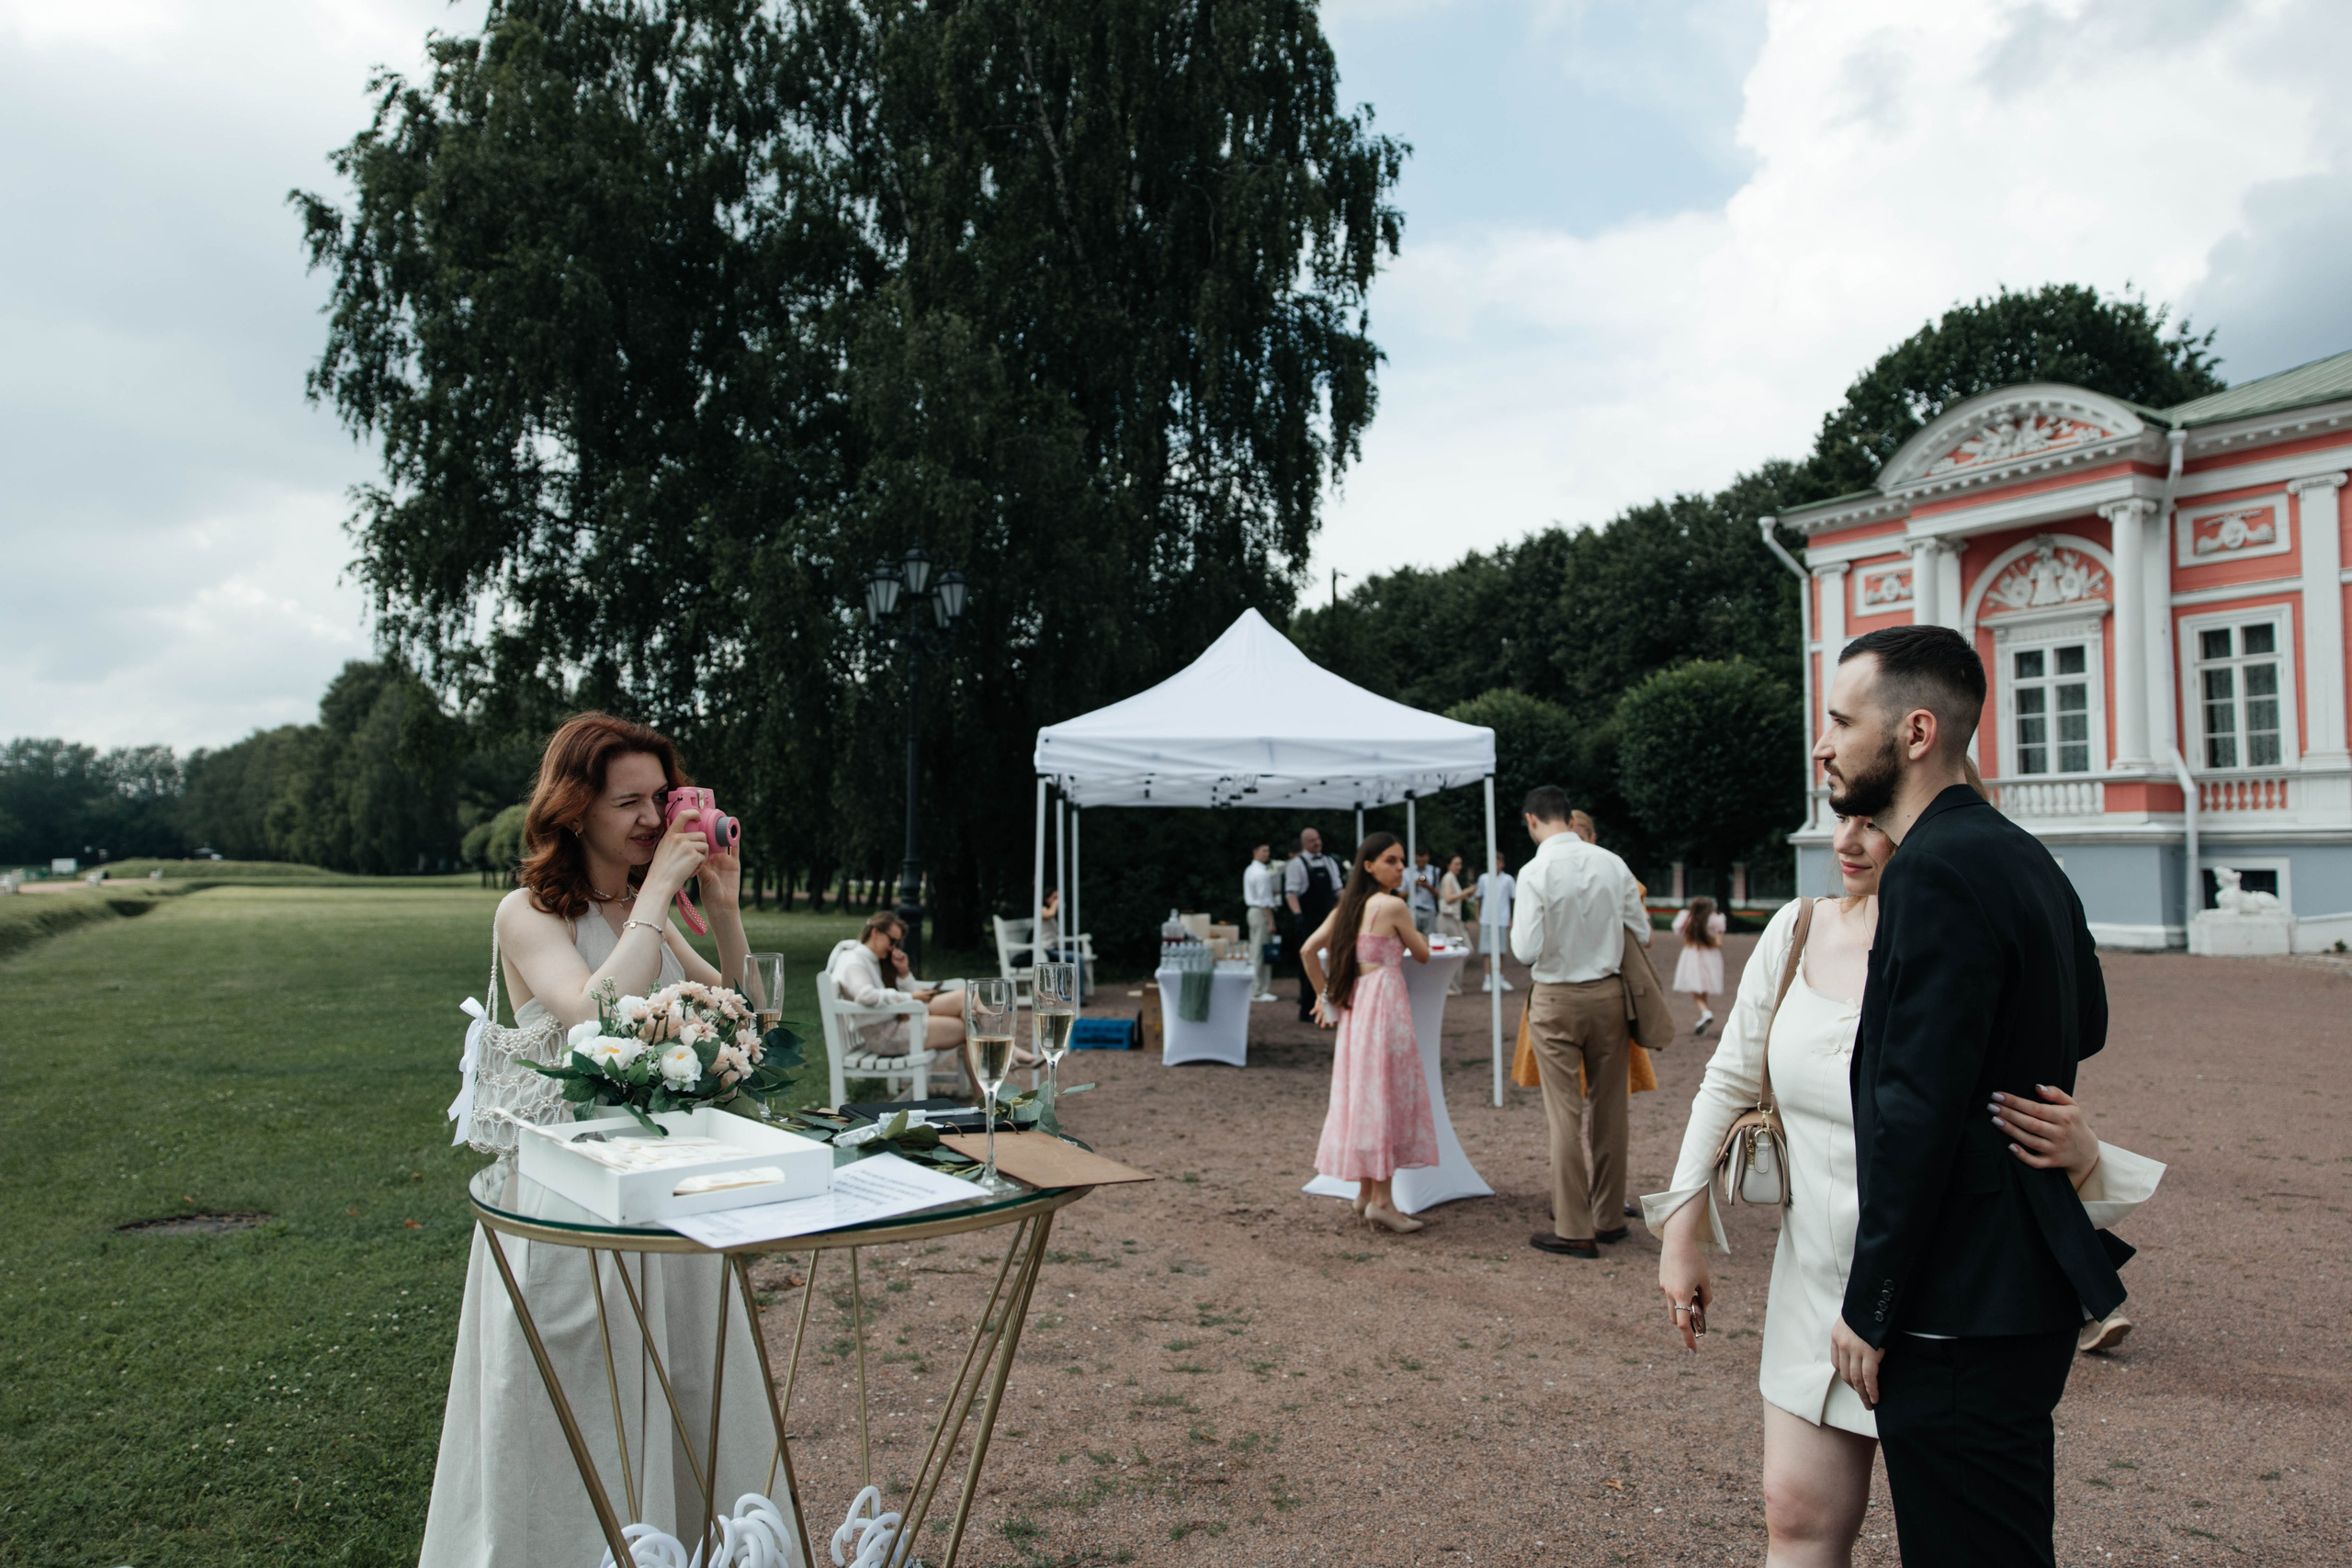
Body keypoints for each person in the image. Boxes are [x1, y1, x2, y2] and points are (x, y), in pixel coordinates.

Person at [1644, 810, 2162, 1567]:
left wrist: (2081, 1150)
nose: (1848, 842)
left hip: (1934, 1290)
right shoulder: (1797, 927)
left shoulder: (1965, 926)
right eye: (1839, 819)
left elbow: (2016, 1082)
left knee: (1960, 1539)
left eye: (1873, 822)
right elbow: (1726, 1078)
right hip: (1813, 1273)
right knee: (1794, 1516)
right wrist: (1681, 1231)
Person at [424, 712, 784, 1565]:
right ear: (575, 809)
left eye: (663, 798)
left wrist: (722, 906)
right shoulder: (527, 913)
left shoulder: (640, 910)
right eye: (630, 802)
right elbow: (593, 1013)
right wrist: (657, 896)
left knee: (688, 1388)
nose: (655, 820)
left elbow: (745, 1014)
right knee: (582, 1406)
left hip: (667, 1189)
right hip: (570, 1200)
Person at [1817, 624, 2128, 1567]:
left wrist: (1869, 1305)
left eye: (1839, 720)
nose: (1823, 743)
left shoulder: (1933, 867)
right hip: (2016, 1287)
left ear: (1914, 733)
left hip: (1957, 1302)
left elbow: (1914, 1112)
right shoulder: (2019, 851)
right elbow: (2088, 1024)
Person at [1510, 785, 1651, 1259]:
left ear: (1532, 820)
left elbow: (1525, 951)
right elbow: (1644, 932)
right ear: (1569, 818)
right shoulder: (1610, 862)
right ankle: (1610, 1217)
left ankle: (1573, 1226)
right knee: (1611, 1110)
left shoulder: (1534, 871)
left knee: (1564, 1114)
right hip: (1609, 995)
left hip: (1555, 997)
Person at [1299, 832, 1438, 1235]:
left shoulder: (1348, 907)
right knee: (1387, 1092)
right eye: (1391, 861)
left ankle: (1365, 1192)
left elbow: (1309, 950)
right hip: (1385, 1006)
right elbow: (1424, 954)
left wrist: (1325, 994)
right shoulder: (1393, 905)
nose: (1399, 867)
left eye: (1400, 861)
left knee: (1363, 1094)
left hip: (1357, 1006)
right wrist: (1418, 936)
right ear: (1370, 865)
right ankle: (1382, 1201)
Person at [1283, 827, 1345, 1022]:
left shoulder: (1329, 862)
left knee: (1333, 962)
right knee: (1309, 964)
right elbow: (1291, 893)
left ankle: (1332, 1006)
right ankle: (1309, 1008)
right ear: (1304, 844)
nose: (1317, 843)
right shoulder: (1296, 864)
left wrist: (1346, 911)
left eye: (1318, 839)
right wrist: (1298, 915)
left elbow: (1338, 890)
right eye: (1312, 841)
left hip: (1328, 920)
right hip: (1308, 920)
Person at [1671, 895, 1728, 1035]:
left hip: (1692, 954)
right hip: (1710, 956)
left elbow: (1683, 937)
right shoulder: (1715, 920)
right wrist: (1708, 941)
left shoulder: (1686, 920)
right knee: (1703, 990)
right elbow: (1719, 943)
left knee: (1696, 991)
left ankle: (1705, 1013)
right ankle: (1704, 1017)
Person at [1243, 841, 1282, 1003]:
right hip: (1260, 912)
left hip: (1252, 911)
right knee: (1262, 951)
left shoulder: (1250, 870)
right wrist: (1271, 921)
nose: (1267, 854)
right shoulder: (1261, 873)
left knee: (1256, 950)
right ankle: (1259, 990)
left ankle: (1256, 988)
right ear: (1255, 851)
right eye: (1264, 851)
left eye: (1268, 850)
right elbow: (1265, 900)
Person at [1474, 850, 1516, 993]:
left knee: (1501, 951)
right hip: (1487, 918)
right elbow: (1477, 898)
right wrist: (1477, 915)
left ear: (1502, 864)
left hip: (1502, 919)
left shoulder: (1508, 880)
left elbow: (1513, 899)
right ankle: (1487, 979)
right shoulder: (1484, 878)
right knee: (1487, 951)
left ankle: (1501, 978)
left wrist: (1512, 917)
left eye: (1497, 863)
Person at [1435, 852, 1473, 995]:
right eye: (1456, 864)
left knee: (1463, 950)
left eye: (1460, 864)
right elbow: (1449, 898)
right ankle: (1450, 984)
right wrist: (1465, 893)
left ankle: (1452, 984)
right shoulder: (1449, 878)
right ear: (1449, 865)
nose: (1459, 867)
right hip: (1448, 919)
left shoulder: (1451, 878)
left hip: (1453, 918)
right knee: (1457, 951)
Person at [1406, 848, 1440, 935]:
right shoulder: (1407, 871)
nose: (1421, 860)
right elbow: (1401, 894)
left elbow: (1439, 894)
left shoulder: (1434, 871)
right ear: (1415, 857)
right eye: (1419, 857)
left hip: (1430, 910)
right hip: (1413, 909)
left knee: (1429, 938)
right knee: (1413, 937)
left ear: (1428, 858)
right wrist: (1414, 886)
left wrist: (1428, 886)